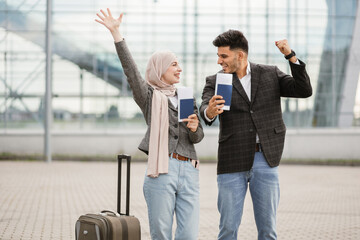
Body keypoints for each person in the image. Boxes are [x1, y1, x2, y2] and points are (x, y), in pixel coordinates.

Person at [95, 8, 204, 240]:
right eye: (173, 64)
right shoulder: (149, 97)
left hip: (189, 169)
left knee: (189, 235)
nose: (179, 68)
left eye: (179, 64)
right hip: (162, 169)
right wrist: (117, 34)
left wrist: (195, 128)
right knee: (161, 233)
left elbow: (197, 137)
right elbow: (131, 72)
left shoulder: (185, 95)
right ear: (159, 68)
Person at [200, 29, 312, 240]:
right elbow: (205, 109)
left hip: (266, 158)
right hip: (232, 160)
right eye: (218, 56)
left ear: (240, 55)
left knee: (268, 231)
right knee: (227, 230)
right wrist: (209, 111)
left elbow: (303, 90)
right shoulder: (215, 81)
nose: (219, 61)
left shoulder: (270, 73)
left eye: (223, 56)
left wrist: (290, 56)